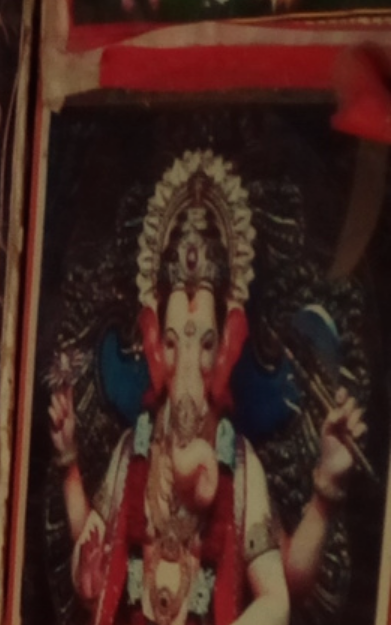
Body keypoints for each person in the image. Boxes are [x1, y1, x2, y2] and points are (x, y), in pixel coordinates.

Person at [48, 151, 366, 625]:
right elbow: (92, 553)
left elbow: (279, 598)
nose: (188, 364)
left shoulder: (240, 467)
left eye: (206, 342)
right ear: (155, 345)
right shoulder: (132, 453)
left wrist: (326, 489)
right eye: (172, 342)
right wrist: (87, 573)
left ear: (226, 349)